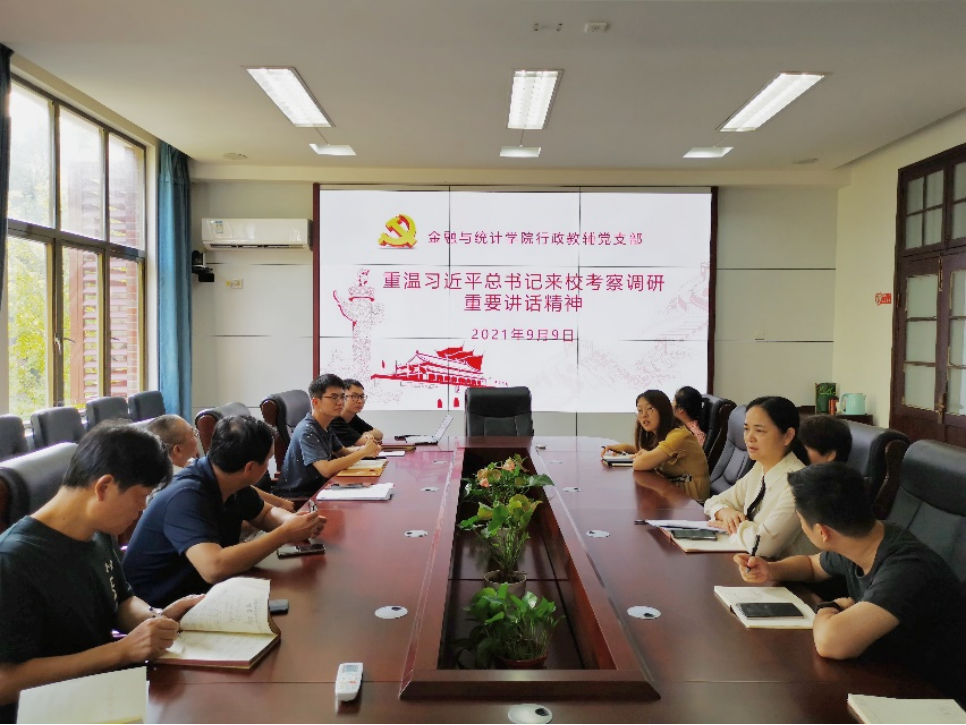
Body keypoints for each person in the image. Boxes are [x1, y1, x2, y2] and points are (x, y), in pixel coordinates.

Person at [0, 424, 203, 723]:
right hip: (52, 712)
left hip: (103, 694)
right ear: (104, 487)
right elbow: (5, 682)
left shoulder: (99, 532)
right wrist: (120, 652)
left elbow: (122, 601)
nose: (142, 509)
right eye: (140, 496)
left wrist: (156, 618)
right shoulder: (13, 561)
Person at [735, 463, 966, 701]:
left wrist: (830, 607)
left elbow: (831, 642)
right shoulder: (864, 537)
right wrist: (771, 569)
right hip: (890, 674)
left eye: (801, 520)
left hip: (937, 698)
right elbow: (812, 565)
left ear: (822, 532)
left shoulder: (907, 569)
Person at [123, 416, 326, 608]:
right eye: (267, 461)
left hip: (205, 594)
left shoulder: (229, 479)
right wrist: (285, 533)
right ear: (249, 468)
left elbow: (265, 514)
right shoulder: (185, 495)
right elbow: (214, 567)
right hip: (161, 610)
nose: (267, 467)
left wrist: (297, 522)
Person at [703, 396, 813, 558]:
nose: (749, 437)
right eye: (746, 429)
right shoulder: (760, 468)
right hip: (754, 563)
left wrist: (733, 528)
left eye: (759, 430)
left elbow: (762, 545)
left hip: (783, 571)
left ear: (788, 436)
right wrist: (724, 513)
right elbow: (712, 502)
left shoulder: (799, 484)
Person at [146, 414, 295, 512]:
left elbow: (240, 487)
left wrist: (279, 504)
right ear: (178, 450)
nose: (197, 437)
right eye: (193, 434)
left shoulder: (192, 464)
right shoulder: (177, 486)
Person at [275, 374, 381, 498]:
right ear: (316, 402)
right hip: (301, 496)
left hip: (322, 488)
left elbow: (342, 452)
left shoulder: (325, 424)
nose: (340, 402)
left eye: (342, 397)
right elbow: (326, 469)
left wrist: (367, 449)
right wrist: (363, 452)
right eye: (334, 397)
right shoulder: (307, 430)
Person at [602, 390, 710, 502]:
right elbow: (652, 452)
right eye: (640, 410)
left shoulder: (679, 436)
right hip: (677, 495)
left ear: (663, 410)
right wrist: (625, 448)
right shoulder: (665, 433)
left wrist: (643, 456)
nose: (644, 415)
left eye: (650, 409)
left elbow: (639, 463)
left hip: (692, 502)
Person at [328, 378, 384, 448]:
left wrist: (367, 434)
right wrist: (367, 437)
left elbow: (379, 433)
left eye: (362, 397)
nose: (360, 401)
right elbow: (364, 442)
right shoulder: (333, 420)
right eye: (354, 396)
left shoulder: (352, 417)